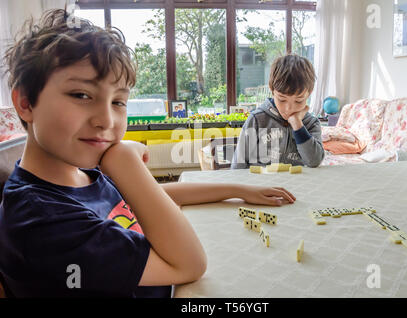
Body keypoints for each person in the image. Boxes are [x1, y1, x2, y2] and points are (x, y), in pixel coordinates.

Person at [0, 9, 296, 298]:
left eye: (118, 102)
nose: (105, 120)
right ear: (25, 102)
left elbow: (146, 196)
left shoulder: (79, 173)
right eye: (81, 95)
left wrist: (238, 190)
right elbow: (190, 265)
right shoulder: (40, 222)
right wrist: (124, 162)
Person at [231, 54, 324, 169]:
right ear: (272, 90)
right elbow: (238, 163)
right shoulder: (257, 119)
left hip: (295, 184)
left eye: (299, 101)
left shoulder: (311, 123)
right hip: (260, 184)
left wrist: (297, 124)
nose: (289, 109)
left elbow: (314, 161)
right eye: (282, 99)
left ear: (309, 94)